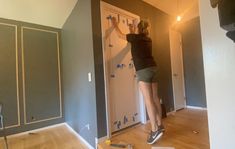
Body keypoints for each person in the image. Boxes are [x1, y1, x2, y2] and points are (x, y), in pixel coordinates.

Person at [111, 17, 164, 145]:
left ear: (138, 28)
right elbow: (134, 38)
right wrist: (132, 29)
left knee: (148, 100)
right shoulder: (147, 39)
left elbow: (119, 35)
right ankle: (160, 125)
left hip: (143, 70)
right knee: (155, 98)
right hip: (153, 67)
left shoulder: (134, 38)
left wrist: (114, 24)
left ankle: (154, 130)